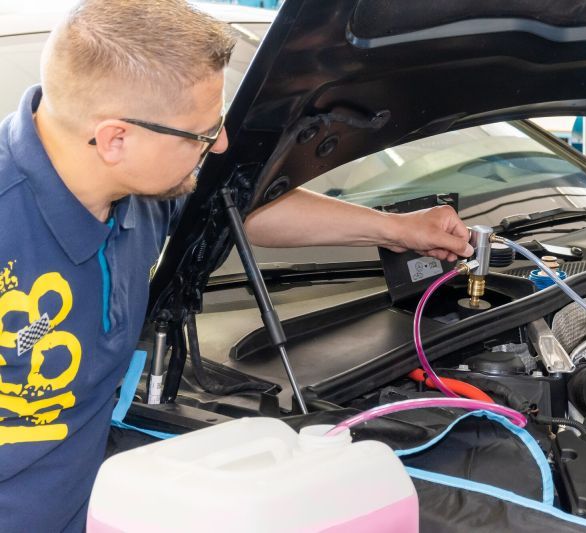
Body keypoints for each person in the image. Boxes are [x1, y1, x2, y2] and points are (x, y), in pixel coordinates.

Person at [0, 1, 473, 530]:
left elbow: (234, 208)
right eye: (202, 134)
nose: (221, 143)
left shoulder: (139, 184)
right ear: (116, 139)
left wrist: (399, 229)